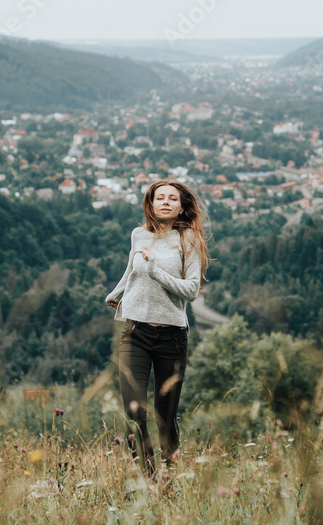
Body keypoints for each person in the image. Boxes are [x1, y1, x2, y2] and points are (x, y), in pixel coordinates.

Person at [105, 180, 209, 478]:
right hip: (135, 331)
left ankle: (171, 473)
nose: (165, 202)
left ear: (181, 205)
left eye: (172, 198)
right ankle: (148, 478)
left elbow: (190, 290)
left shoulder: (188, 239)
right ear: (150, 204)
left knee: (165, 416)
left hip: (171, 336)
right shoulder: (139, 235)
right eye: (159, 197)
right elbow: (132, 270)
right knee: (134, 410)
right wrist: (117, 293)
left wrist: (156, 271)